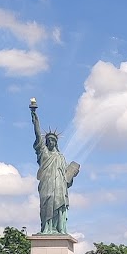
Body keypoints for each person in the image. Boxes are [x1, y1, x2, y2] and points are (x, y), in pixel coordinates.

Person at [30, 98, 80, 234]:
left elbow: (67, 176)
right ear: (46, 142)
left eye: (53, 140)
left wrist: (72, 172)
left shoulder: (61, 157)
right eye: (49, 140)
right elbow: (37, 135)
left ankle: (59, 229)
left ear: (56, 142)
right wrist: (34, 116)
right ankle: (47, 228)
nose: (51, 142)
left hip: (59, 186)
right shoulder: (44, 153)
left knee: (59, 205)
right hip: (47, 184)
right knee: (46, 205)